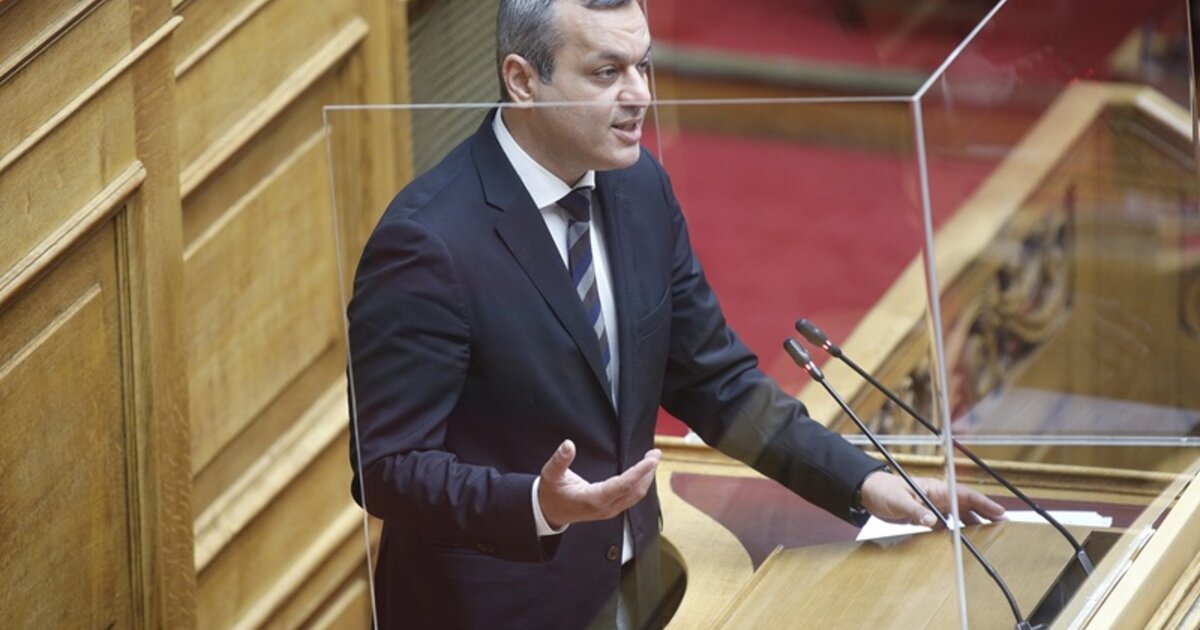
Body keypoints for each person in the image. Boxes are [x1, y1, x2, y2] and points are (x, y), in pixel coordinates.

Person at [347, 0, 1005, 628]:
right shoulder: (427, 244)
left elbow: (716, 382)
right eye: (607, 72)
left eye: (644, 65)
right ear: (522, 80)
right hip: (496, 612)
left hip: (644, 589)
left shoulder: (638, 187)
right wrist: (534, 504)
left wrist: (863, 480)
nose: (640, 94)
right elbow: (386, 468)